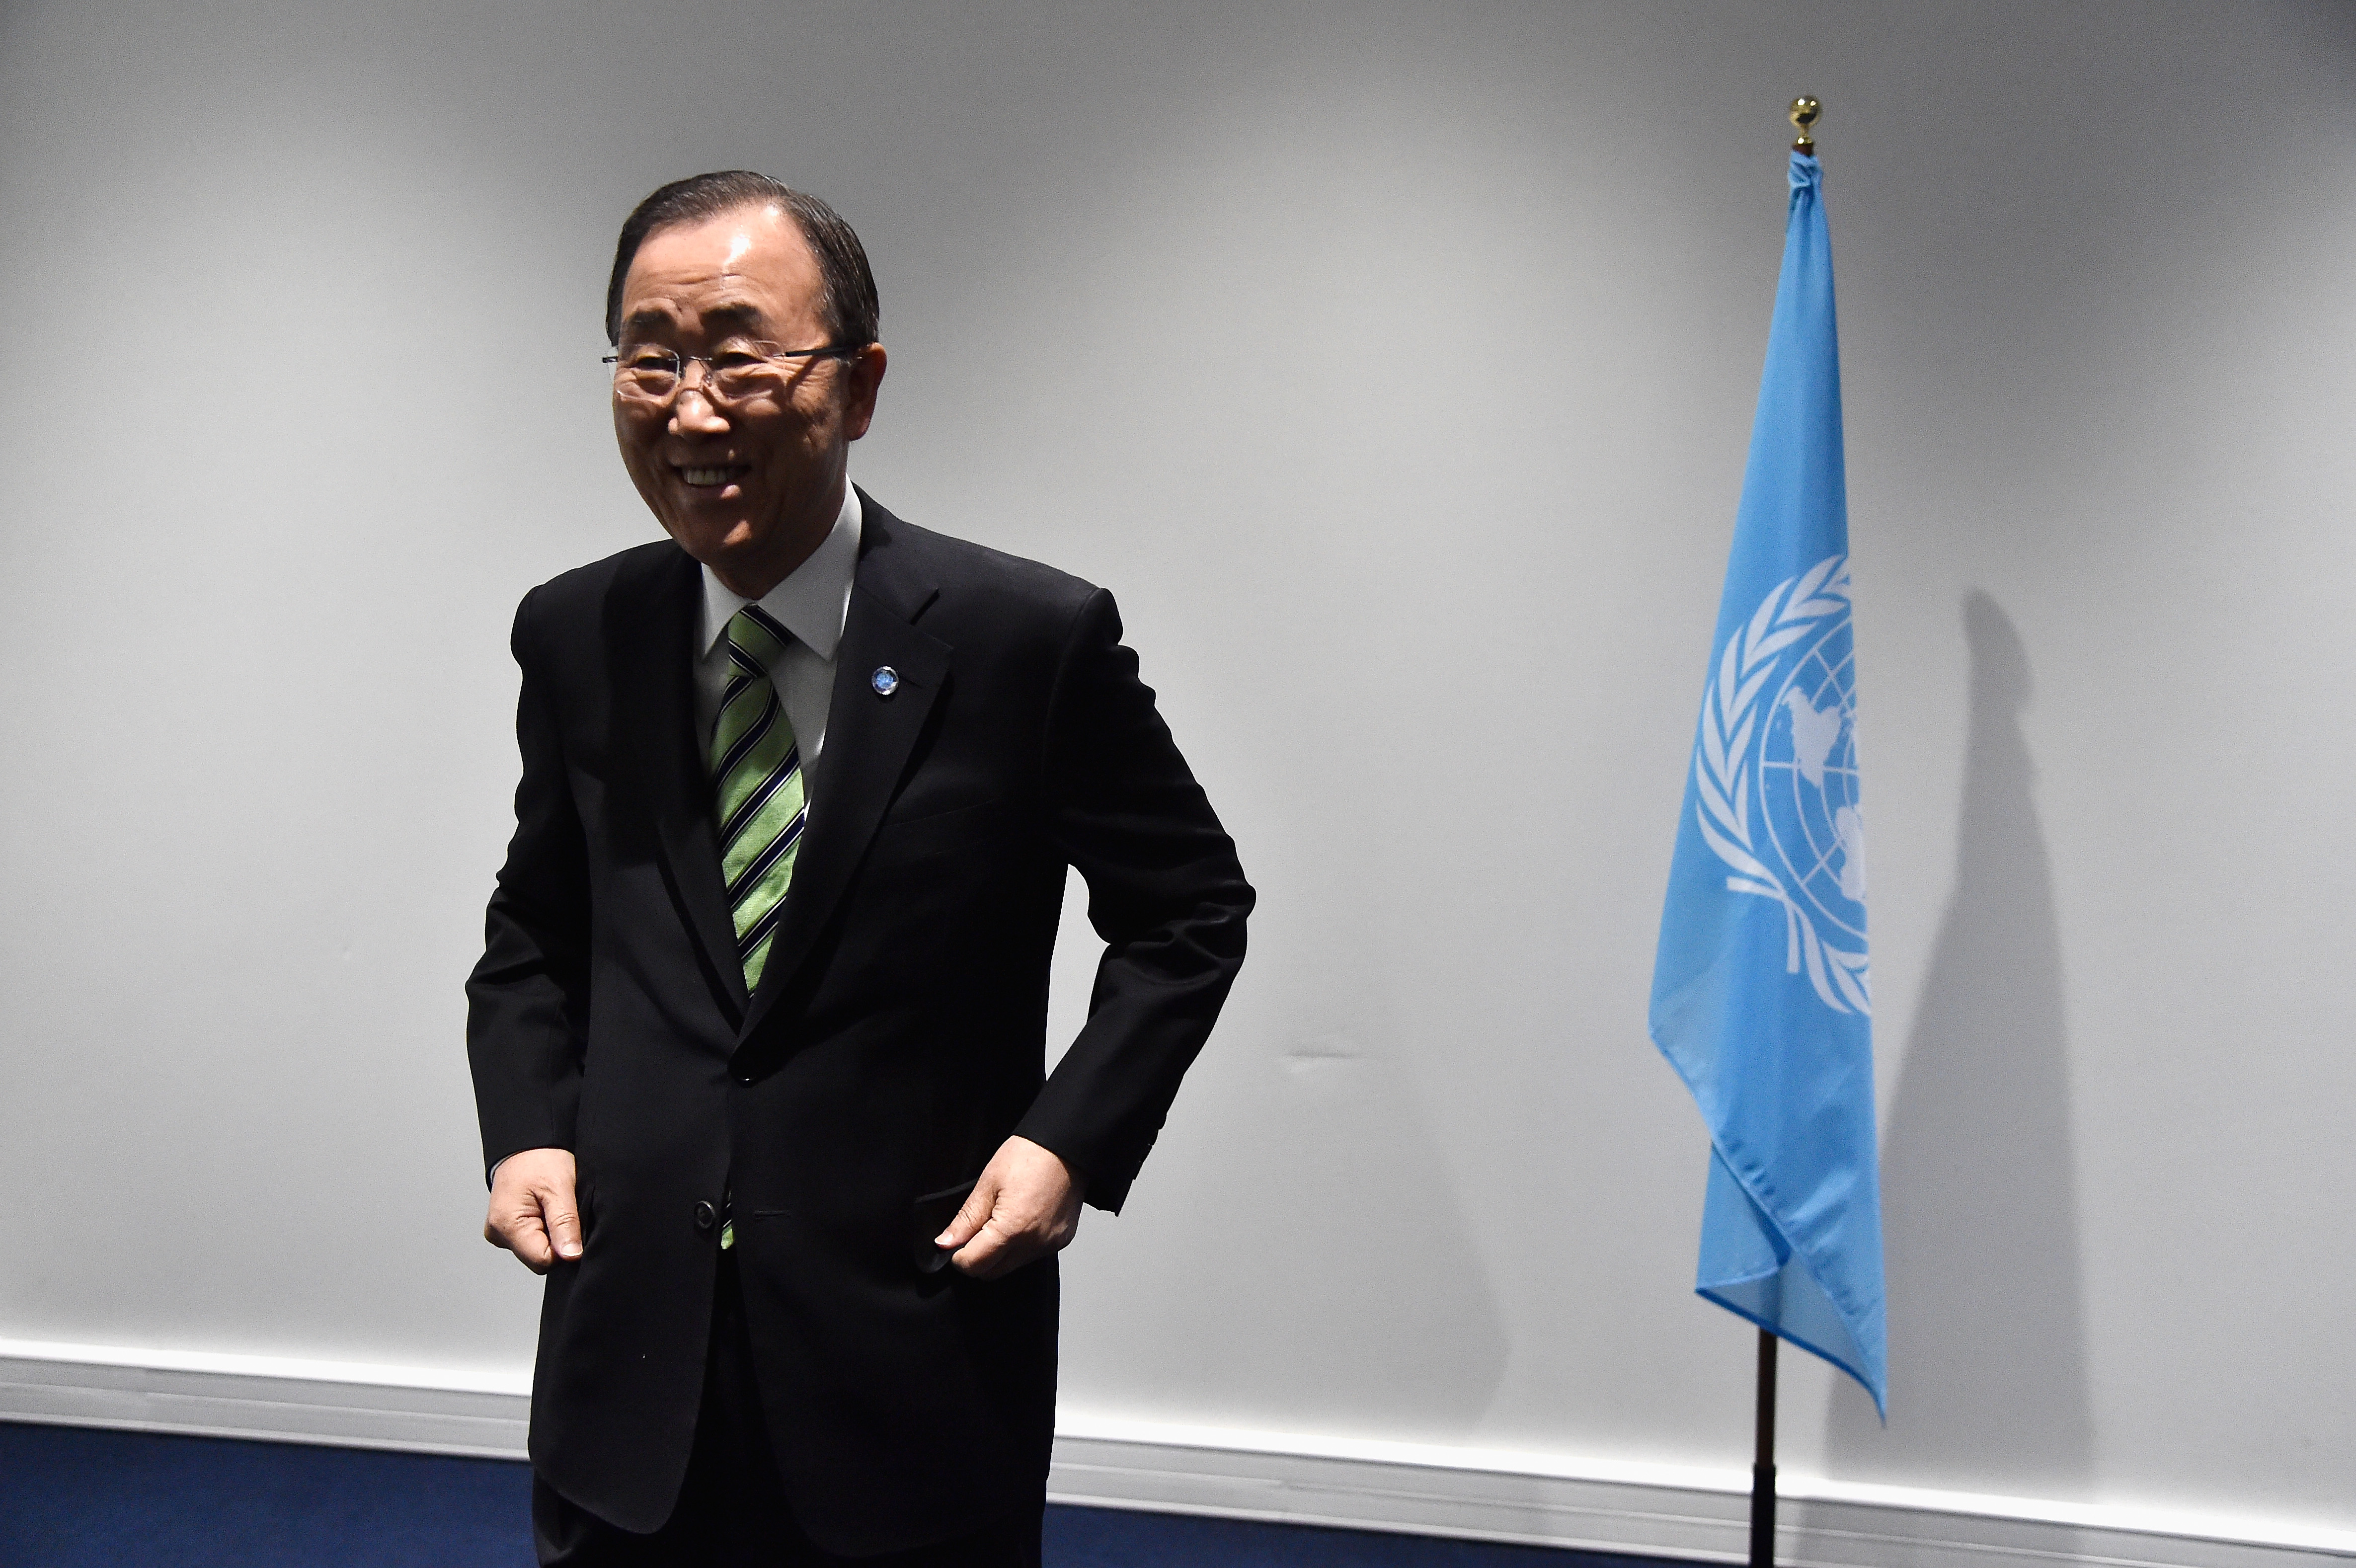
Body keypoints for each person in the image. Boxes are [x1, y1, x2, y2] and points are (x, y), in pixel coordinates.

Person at [466, 171, 1253, 1567]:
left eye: (740, 354)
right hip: (626, 1352)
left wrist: (1069, 1137)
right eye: (652, 359)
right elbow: (537, 924)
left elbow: (1188, 910)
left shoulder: (1027, 640)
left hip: (910, 1353)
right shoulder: (578, 631)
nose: (693, 408)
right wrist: (528, 1120)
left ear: (861, 382)